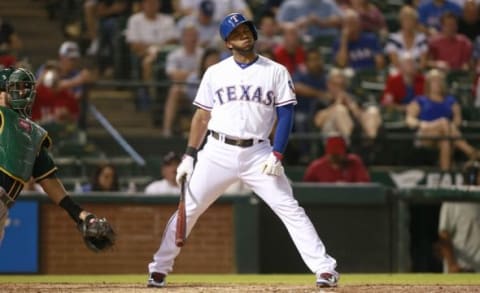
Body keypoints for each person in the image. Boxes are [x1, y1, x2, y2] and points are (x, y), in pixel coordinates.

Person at [146, 13, 338, 288]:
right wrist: (189, 155)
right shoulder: (215, 72)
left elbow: (285, 115)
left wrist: (278, 154)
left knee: (289, 208)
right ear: (228, 43)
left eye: (246, 29)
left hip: (258, 153)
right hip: (217, 150)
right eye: (236, 33)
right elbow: (201, 117)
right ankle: (159, 268)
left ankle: (325, 268)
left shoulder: (275, 71)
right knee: (188, 208)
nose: (244, 35)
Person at [0, 67, 99, 245]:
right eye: (15, 87)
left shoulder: (32, 133)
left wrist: (80, 215)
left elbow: (49, 181)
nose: (22, 92)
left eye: (24, 87)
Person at [406, 69, 479, 171]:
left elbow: (457, 120)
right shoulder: (420, 100)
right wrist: (425, 125)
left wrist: (448, 127)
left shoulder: (451, 100)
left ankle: (445, 175)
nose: (436, 83)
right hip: (426, 133)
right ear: (428, 83)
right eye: (433, 81)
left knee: (445, 141)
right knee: (444, 123)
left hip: (446, 134)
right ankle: (471, 152)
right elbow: (410, 119)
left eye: (439, 81)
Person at [314, 67, 382, 141]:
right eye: (336, 85)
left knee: (373, 111)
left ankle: (372, 143)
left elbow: (362, 119)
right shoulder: (322, 100)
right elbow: (318, 122)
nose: (339, 89)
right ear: (329, 85)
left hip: (356, 132)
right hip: (332, 136)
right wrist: (337, 104)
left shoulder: (353, 98)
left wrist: (353, 108)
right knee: (340, 110)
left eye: (342, 85)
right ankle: (353, 145)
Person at [437, 160, 480, 273]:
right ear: (472, 177)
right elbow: (444, 234)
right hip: (462, 269)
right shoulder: (453, 200)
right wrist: (452, 264)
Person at [162, 24, 204, 136]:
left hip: (201, 89)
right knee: (174, 90)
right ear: (183, 38)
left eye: (194, 35)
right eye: (189, 35)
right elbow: (172, 74)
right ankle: (167, 130)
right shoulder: (175, 55)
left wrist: (185, 74)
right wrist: (194, 74)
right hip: (185, 89)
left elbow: (208, 73)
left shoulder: (203, 53)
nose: (192, 38)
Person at [303, 136, 370, 183]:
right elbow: (307, 189)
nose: (336, 158)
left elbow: (364, 185)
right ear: (327, 154)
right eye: (333, 155)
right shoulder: (317, 166)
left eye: (338, 155)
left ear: (344, 153)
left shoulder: (354, 162)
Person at [384, 5, 429, 70]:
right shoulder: (393, 39)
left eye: (411, 19)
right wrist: (407, 73)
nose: (408, 22)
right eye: (405, 19)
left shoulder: (421, 38)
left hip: (417, 73)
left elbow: (423, 63)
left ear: (415, 22)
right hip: (398, 73)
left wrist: (413, 73)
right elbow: (395, 62)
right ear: (400, 21)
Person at [276, 0, 342, 40]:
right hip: (299, 42)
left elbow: (340, 20)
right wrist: (296, 25)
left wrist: (321, 22)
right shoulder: (290, 4)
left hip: (327, 40)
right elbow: (279, 26)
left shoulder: (328, 3)